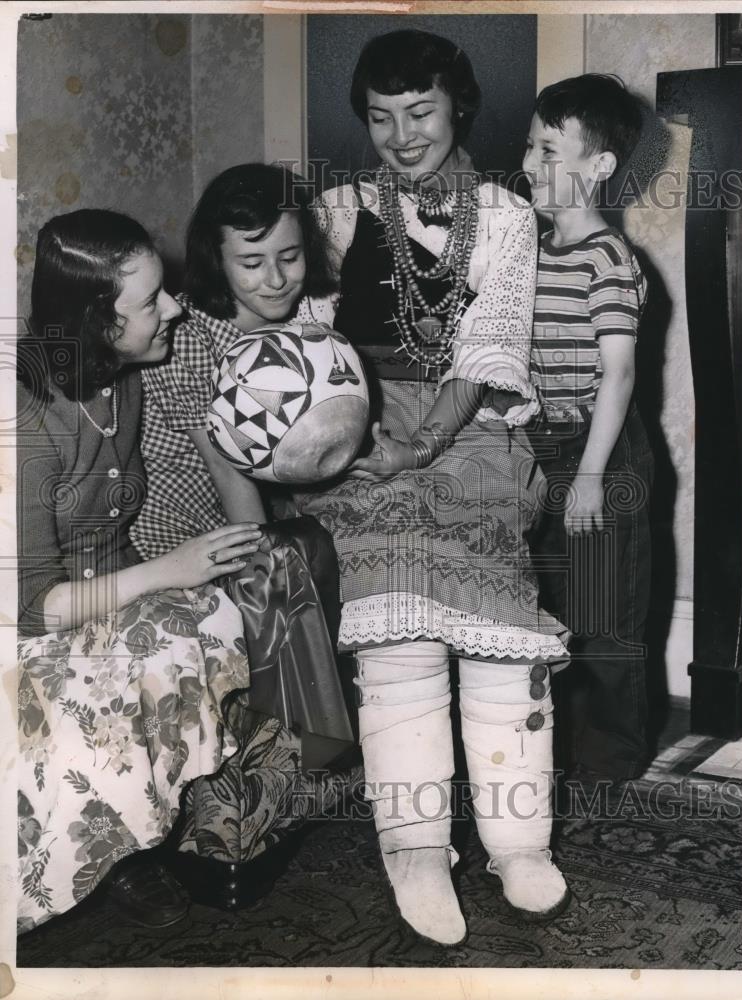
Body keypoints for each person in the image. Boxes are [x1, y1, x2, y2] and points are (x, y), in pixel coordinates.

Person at [293, 29, 571, 947]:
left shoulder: (506, 213)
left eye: (420, 113)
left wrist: (425, 444)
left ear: (458, 108)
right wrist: (338, 432)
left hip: (473, 429)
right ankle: (413, 849)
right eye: (380, 118)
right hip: (362, 432)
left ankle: (517, 840)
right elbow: (299, 334)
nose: (402, 135)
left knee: (497, 629)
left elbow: (491, 343)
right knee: (397, 628)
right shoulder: (334, 210)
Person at [16, 209, 262, 931]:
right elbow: (29, 606)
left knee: (213, 616)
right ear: (97, 323)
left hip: (99, 599)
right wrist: (168, 570)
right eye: (151, 301)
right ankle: (96, 854)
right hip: (25, 622)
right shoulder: (23, 418)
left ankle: (129, 842)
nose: (174, 307)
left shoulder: (120, 380)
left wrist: (183, 575)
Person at [133, 163, 352, 869]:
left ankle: (307, 764)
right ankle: (280, 782)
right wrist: (276, 561)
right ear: (215, 261)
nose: (274, 278)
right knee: (292, 562)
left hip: (241, 514)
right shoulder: (194, 339)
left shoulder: (306, 323)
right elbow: (233, 479)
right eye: (250, 263)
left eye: (288, 257)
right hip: (173, 531)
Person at [523, 74, 654, 783]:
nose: (529, 164)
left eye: (548, 149)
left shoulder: (607, 258)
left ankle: (610, 770)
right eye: (528, 146)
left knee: (603, 616)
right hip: (541, 445)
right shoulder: (532, 252)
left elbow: (619, 374)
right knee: (548, 609)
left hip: (601, 452)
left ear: (598, 166)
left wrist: (592, 479)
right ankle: (554, 754)